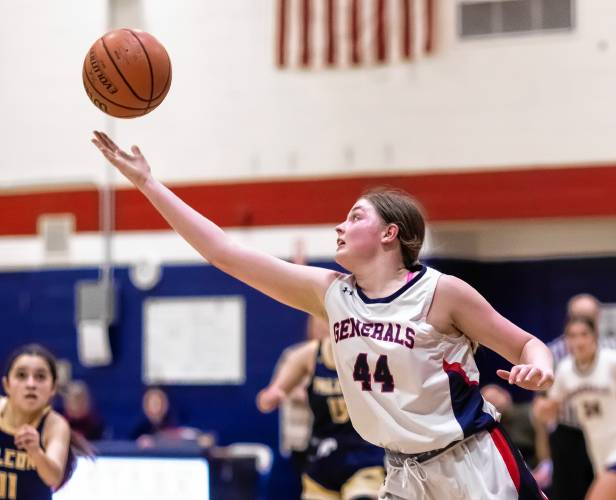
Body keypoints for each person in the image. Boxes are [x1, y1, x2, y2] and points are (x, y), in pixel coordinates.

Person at [91, 131, 553, 500]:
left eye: (354, 217)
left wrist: (541, 368)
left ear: (390, 233)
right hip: (403, 471)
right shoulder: (332, 293)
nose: (339, 226)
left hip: (471, 463)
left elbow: (525, 344)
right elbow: (225, 253)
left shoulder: (441, 292)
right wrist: (148, 184)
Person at [257, 318, 385, 499]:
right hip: (323, 452)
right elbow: (268, 397)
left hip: (364, 453)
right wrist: (272, 396)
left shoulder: (373, 350)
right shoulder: (307, 354)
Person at [534, 317, 616, 500]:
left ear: (594, 336)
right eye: (572, 336)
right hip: (599, 454)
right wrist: (541, 408)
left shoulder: (611, 361)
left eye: (583, 335)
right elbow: (549, 412)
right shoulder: (564, 370)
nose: (578, 341)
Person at [0, 344, 90, 499]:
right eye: (21, 375)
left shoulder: (55, 425)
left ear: (53, 387)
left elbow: (53, 478)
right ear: (7, 384)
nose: (31, 384)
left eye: (40, 377)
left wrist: (36, 451)